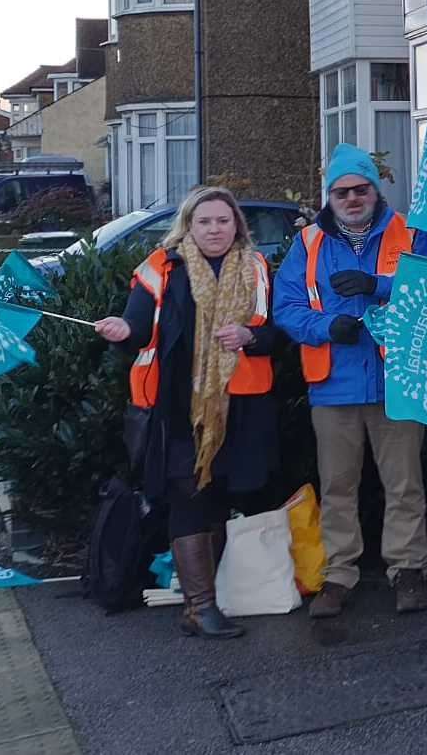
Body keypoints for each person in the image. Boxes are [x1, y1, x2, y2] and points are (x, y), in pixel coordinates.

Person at [95, 187, 287, 639]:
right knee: (189, 494)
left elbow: (278, 333)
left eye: (223, 221)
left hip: (239, 404)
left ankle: (201, 601)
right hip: (177, 407)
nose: (215, 229)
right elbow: (138, 327)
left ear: (237, 224)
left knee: (218, 493)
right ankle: (200, 606)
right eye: (205, 221)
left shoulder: (256, 268)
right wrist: (123, 329)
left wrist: (249, 337)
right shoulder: (161, 267)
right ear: (189, 225)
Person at [275, 144, 427, 619]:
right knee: (338, 487)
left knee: (405, 484)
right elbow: (286, 308)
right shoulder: (307, 244)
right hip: (334, 384)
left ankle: (408, 570)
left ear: (376, 189)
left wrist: (378, 286)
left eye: (360, 189)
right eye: (341, 191)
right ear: (329, 196)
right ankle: (339, 575)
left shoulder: (411, 234)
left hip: (398, 380)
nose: (352, 198)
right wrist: (327, 328)